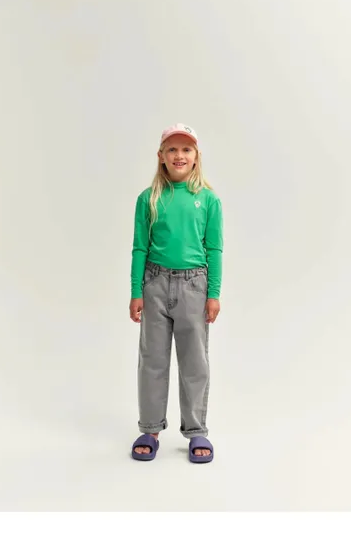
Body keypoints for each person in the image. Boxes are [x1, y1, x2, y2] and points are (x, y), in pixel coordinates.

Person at [129, 123, 223, 463]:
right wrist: (136, 291)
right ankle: (150, 428)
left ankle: (196, 430)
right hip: (154, 284)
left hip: (194, 286)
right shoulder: (149, 199)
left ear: (196, 157)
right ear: (161, 156)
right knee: (152, 360)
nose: (178, 155)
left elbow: (214, 249)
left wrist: (213, 293)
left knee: (194, 361)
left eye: (186, 149)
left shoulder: (208, 200)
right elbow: (140, 247)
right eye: (172, 149)